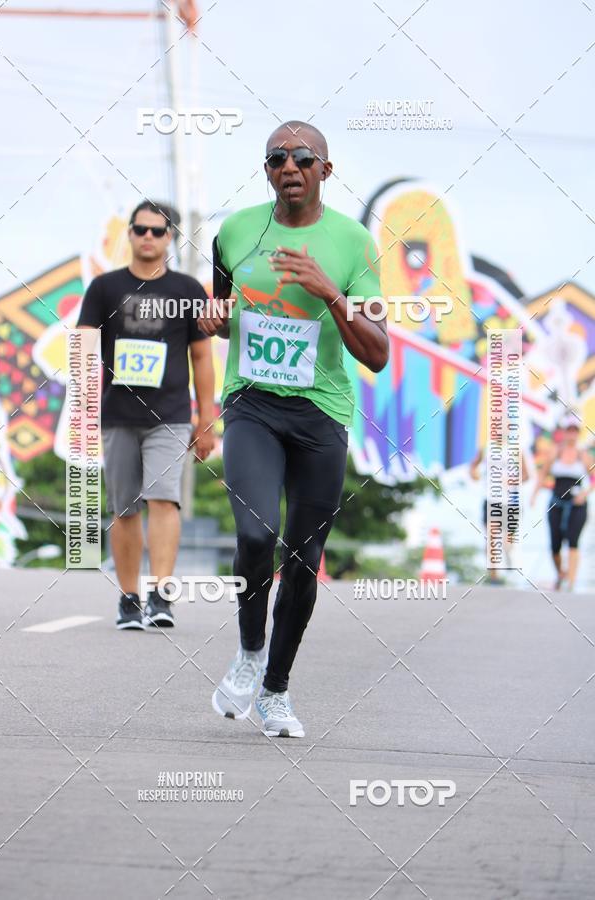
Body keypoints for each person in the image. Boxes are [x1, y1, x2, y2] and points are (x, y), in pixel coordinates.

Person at [198, 121, 389, 737]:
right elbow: (223, 308)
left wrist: (327, 289)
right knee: (256, 536)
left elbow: (378, 353)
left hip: (320, 415)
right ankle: (251, 649)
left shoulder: (353, 243)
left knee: (303, 559)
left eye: (304, 158)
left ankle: (276, 691)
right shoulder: (233, 230)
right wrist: (215, 319)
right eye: (277, 157)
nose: (290, 166)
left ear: (324, 171)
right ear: (268, 170)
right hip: (252, 404)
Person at [77, 200, 215, 629]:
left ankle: (161, 596)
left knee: (163, 498)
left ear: (170, 235)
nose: (148, 237)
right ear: (131, 234)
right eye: (140, 229)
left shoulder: (188, 290)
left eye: (158, 230)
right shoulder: (105, 289)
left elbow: (202, 357)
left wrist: (206, 418)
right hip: (117, 415)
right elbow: (83, 347)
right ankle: (129, 599)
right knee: (124, 508)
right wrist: (82, 412)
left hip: (170, 416)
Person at [530, 413, 593, 591]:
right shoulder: (554, 452)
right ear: (564, 432)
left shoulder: (583, 455)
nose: (571, 434)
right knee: (555, 545)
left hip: (577, 505)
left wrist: (586, 493)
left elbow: (593, 478)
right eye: (568, 431)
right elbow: (542, 474)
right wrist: (534, 494)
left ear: (578, 433)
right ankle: (560, 573)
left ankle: (571, 583)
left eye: (574, 431)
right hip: (556, 502)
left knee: (573, 542)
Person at [470, 447, 529, 585]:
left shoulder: (517, 449)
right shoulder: (486, 448)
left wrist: (513, 480)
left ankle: (509, 558)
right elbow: (473, 468)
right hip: (491, 500)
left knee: (507, 542)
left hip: (511, 502)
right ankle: (494, 577)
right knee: (491, 538)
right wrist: (475, 474)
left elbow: (526, 475)